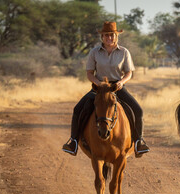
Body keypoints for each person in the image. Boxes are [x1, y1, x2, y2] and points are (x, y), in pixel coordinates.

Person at [62, 21, 150, 156]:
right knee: (78, 109)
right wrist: (98, 83)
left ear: (117, 36)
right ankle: (73, 141)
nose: (110, 38)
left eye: (113, 35)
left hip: (117, 87)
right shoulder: (94, 52)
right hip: (99, 87)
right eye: (107, 35)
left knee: (138, 110)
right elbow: (89, 73)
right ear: (102, 37)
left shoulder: (124, 52)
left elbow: (129, 73)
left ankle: (139, 142)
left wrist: (122, 82)